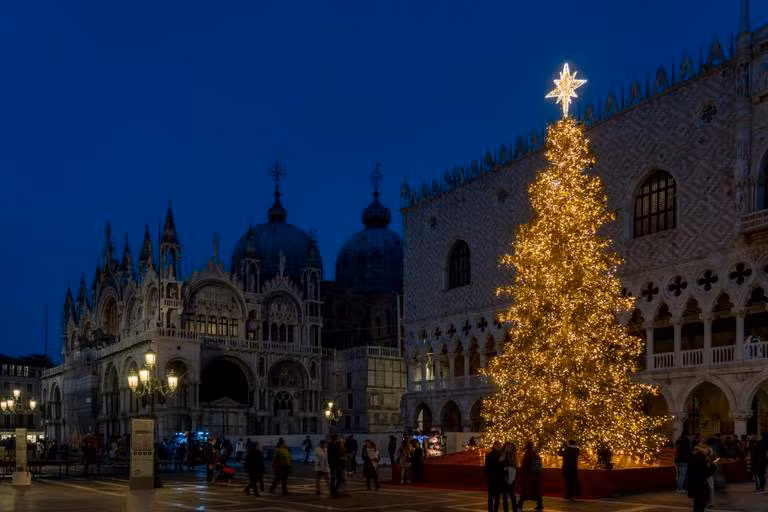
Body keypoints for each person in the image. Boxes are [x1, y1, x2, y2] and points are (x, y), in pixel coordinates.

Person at [688, 442, 717, 512]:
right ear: (703, 450)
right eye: (707, 449)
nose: (708, 451)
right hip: (700, 484)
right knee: (701, 505)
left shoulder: (693, 456)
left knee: (696, 504)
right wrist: (714, 465)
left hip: (693, 483)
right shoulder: (702, 458)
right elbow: (707, 473)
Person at [518, 441, 543, 511]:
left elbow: (524, 466)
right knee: (536, 491)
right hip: (536, 476)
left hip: (528, 476)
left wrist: (522, 474)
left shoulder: (527, 454)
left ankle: (520, 504)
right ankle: (540, 504)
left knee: (524, 491)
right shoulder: (535, 453)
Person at [484, 441, 504, 512]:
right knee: (497, 497)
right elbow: (499, 468)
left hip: (491, 479)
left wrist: (488, 478)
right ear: (495, 446)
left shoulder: (488, 455)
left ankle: (490, 510)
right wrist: (500, 461)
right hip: (497, 479)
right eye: (499, 446)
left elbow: (486, 468)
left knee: (491, 496)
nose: (500, 447)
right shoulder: (499, 456)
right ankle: (495, 510)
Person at [500, 442, 519, 512]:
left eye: (510, 447)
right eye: (507, 447)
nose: (509, 448)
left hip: (510, 479)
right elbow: (500, 463)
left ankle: (514, 510)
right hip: (505, 479)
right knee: (505, 496)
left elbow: (514, 466)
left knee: (512, 496)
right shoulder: (503, 454)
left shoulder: (513, 456)